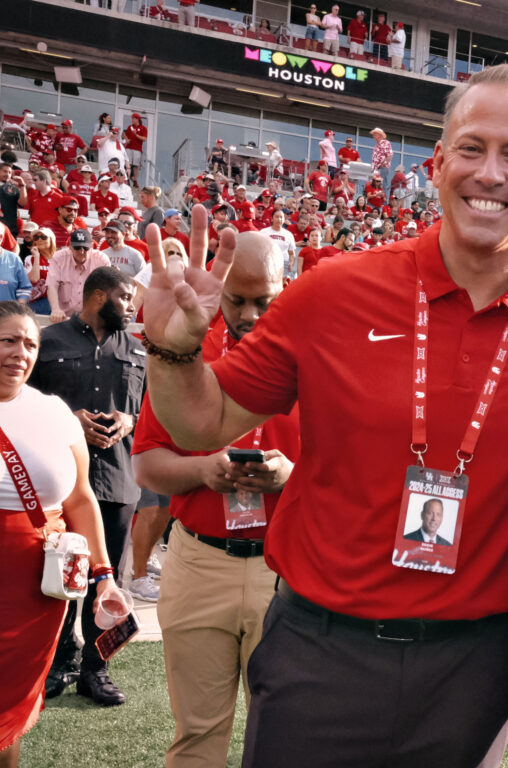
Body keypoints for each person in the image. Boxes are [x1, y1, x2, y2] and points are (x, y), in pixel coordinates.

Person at [138, 64, 508, 768]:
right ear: (437, 164)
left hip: (471, 667)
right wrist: (172, 354)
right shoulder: (333, 291)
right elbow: (200, 425)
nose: (491, 173)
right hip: (320, 654)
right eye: (472, 148)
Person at [133, 230, 299, 768]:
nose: (250, 314)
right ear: (219, 289)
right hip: (201, 561)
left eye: (264, 300)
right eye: (237, 299)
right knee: (197, 738)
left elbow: (350, 472)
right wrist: (203, 470)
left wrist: (290, 476)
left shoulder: (312, 359)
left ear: (286, 288)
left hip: (287, 566)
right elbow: (147, 462)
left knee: (283, 736)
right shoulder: (183, 353)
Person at [0, 301, 123, 766]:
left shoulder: (56, 413)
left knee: (11, 694)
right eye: (8, 341)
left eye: (30, 343)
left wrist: (104, 574)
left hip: (38, 587)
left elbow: (80, 500)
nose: (20, 353)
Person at [31, 267, 144, 707]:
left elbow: (151, 408)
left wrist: (128, 419)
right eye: (125, 296)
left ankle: (97, 670)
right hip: (58, 480)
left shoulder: (139, 351)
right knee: (58, 577)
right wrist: (67, 416)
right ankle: (61, 661)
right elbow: (23, 399)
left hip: (118, 479)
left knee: (107, 580)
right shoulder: (49, 342)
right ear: (98, 296)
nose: (132, 305)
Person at [46, 229, 111, 323]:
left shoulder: (102, 260)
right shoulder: (58, 258)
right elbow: (52, 285)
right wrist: (55, 309)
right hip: (63, 317)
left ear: (92, 247)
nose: (81, 251)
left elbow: (106, 290)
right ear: (70, 247)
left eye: (85, 248)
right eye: (77, 247)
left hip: (91, 317)